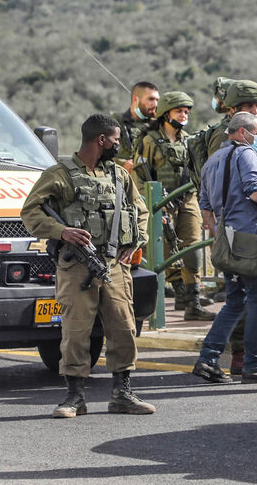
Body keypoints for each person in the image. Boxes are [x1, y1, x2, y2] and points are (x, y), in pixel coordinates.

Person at [21, 114, 154, 418]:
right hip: (76, 265)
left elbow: (140, 209)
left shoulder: (120, 175)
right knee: (76, 329)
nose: (119, 145)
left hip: (114, 265)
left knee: (123, 327)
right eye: (116, 140)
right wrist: (61, 232)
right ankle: (74, 397)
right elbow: (30, 213)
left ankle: (123, 393)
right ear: (101, 140)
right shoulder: (60, 175)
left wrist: (136, 240)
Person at [192, 112, 257, 384]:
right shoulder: (246, 155)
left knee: (234, 302)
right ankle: (254, 363)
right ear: (243, 133)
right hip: (253, 240)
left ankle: (207, 358)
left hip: (229, 240)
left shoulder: (212, 160)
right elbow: (256, 192)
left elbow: (206, 209)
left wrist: (220, 234)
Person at [135, 90, 212, 321]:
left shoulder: (189, 141)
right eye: (179, 111)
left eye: (187, 111)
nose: (184, 115)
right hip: (159, 203)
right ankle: (171, 297)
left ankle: (193, 300)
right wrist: (151, 203)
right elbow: (139, 177)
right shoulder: (149, 141)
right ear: (165, 113)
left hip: (187, 198)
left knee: (193, 247)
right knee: (163, 251)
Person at [115, 81, 159, 171]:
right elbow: (99, 156)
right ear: (136, 100)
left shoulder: (157, 125)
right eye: (151, 99)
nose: (155, 104)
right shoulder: (116, 122)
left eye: (157, 100)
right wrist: (123, 164)